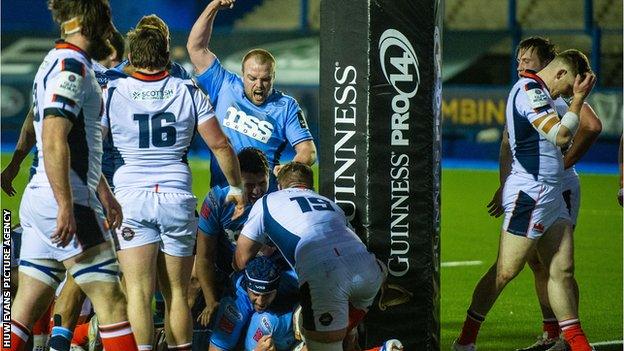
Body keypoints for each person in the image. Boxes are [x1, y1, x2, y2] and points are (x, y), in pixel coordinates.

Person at [102, 19, 245, 351]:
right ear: (167, 54)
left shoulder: (112, 92)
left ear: (132, 55)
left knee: (136, 291)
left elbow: (93, 146)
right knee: (177, 293)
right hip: (177, 198)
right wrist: (236, 189)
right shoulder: (188, 89)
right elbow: (221, 146)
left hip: (131, 198)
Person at [8, 0, 138, 350]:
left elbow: (75, 142)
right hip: (66, 201)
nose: (109, 27)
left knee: (23, 307)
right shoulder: (71, 67)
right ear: (86, 23)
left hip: (41, 198)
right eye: (104, 19)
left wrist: (105, 193)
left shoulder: (53, 61)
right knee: (112, 301)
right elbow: (52, 136)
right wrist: (67, 205)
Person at [453, 50, 596, 351]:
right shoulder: (530, 90)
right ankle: (465, 340)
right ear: (559, 73)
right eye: (568, 86)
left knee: (561, 270)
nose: (568, 94)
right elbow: (559, 135)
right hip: (531, 194)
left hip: (551, 194)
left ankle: (577, 344)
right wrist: (579, 100)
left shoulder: (542, 91)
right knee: (505, 271)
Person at [233, 162, 386, 351]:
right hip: (370, 271)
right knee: (344, 342)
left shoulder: (267, 201)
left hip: (325, 275)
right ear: (310, 187)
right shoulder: (332, 205)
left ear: (280, 186)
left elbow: (241, 259)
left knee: (323, 346)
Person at [187, 0, 317, 192]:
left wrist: (288, 170)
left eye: (265, 79)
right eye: (252, 78)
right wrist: (212, 7)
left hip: (263, 197)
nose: (259, 85)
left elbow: (308, 150)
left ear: (273, 78)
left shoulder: (286, 106)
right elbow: (196, 48)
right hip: (223, 195)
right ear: (242, 75)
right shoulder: (224, 84)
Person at [195, 147, 271, 329]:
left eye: (262, 182)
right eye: (250, 185)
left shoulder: (278, 197)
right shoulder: (218, 200)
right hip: (224, 268)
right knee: (191, 280)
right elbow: (204, 256)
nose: (257, 191)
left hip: (265, 273)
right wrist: (211, 301)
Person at [209, 256, 299, 351]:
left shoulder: (293, 282)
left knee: (266, 320)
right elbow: (215, 349)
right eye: (256, 294)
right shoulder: (236, 299)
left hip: (278, 321)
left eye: (267, 295)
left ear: (277, 289)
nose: (260, 302)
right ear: (247, 287)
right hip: (241, 304)